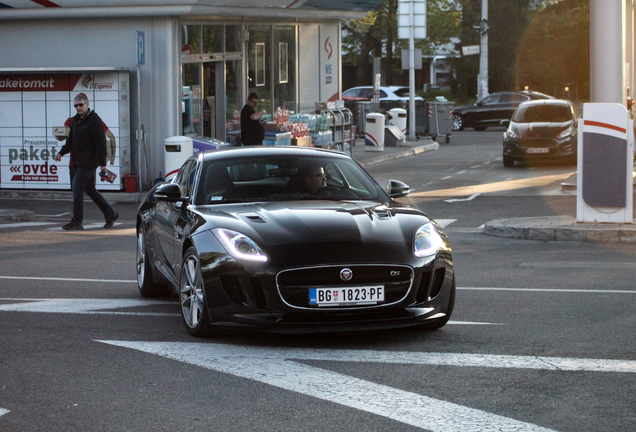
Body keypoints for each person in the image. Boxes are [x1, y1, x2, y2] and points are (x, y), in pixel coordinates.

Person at [55, 93, 119, 230]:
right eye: (76, 105)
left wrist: (103, 163)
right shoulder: (76, 121)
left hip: (89, 162)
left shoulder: (94, 120)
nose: (78, 108)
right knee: (89, 189)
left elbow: (100, 142)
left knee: (77, 187)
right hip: (80, 162)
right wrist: (61, 152)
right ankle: (110, 214)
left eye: (81, 105)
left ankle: (77, 221)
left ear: (87, 104)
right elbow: (70, 141)